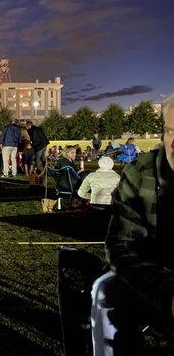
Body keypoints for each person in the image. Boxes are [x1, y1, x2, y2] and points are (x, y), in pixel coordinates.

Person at [91, 94, 174, 355]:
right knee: (105, 290)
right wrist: (166, 292)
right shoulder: (142, 172)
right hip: (154, 272)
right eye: (171, 131)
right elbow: (122, 245)